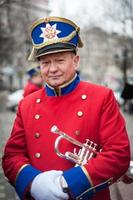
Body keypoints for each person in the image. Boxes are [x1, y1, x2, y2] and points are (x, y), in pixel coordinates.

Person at [2, 16, 130, 200]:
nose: (52, 69)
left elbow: (118, 155)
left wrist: (66, 183)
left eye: (60, 60)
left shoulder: (102, 97)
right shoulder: (27, 104)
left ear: (76, 61)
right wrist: (34, 182)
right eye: (45, 62)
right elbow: (11, 156)